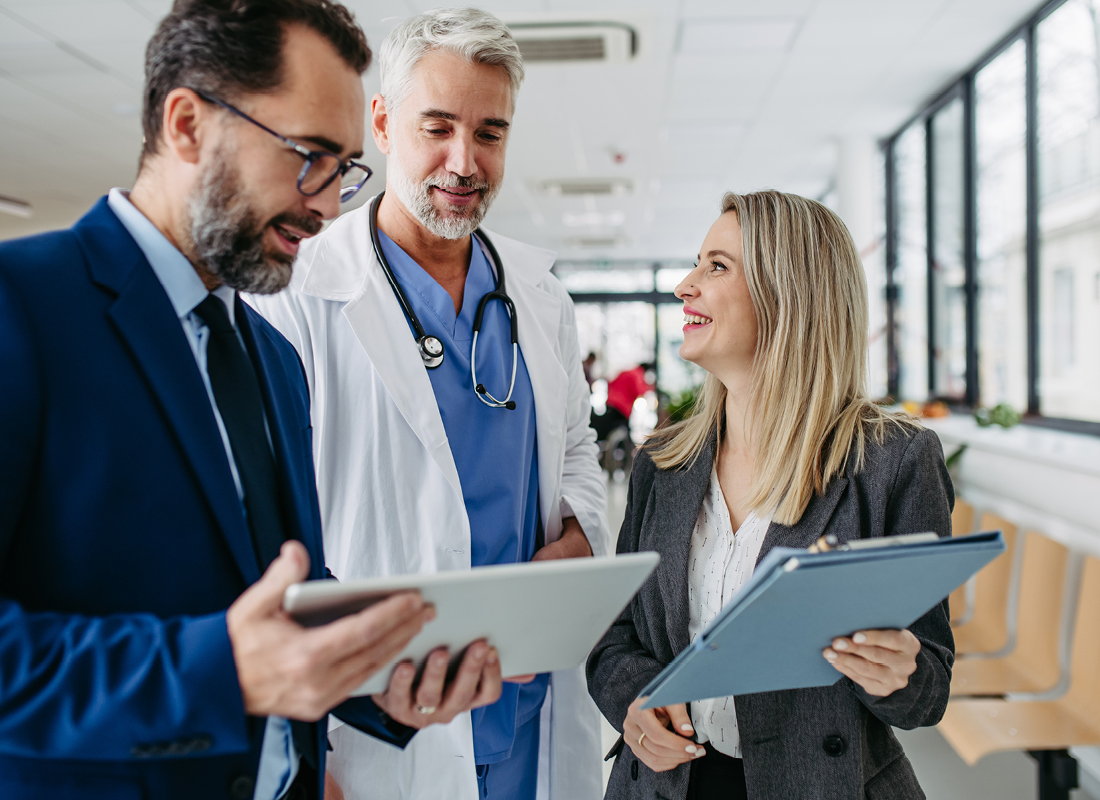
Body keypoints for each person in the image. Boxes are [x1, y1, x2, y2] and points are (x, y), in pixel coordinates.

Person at [0, 2, 501, 798]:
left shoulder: (269, 355)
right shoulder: (21, 310)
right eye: (307, 156)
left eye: (342, 168)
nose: (327, 204)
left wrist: (383, 675)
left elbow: (275, 593)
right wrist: (219, 674)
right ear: (188, 124)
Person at [249, 8, 609, 800]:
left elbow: (577, 444)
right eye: (437, 126)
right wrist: (295, 753)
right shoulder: (300, 295)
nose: (463, 160)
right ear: (381, 123)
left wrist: (583, 533)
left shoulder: (537, 294)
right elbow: (262, 526)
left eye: (489, 133)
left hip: (524, 706)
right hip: (375, 729)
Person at [587, 191, 954, 800]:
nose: (685, 285)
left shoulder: (892, 462)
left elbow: (928, 687)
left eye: (717, 266)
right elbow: (616, 632)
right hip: (665, 785)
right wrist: (635, 701)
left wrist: (898, 670)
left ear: (790, 295)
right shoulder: (664, 462)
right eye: (696, 262)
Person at [591, 361, 655, 443]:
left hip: (611, 403)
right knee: (623, 430)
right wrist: (650, 388)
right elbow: (639, 391)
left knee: (608, 426)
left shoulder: (626, 371)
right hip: (622, 407)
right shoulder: (638, 373)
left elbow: (611, 383)